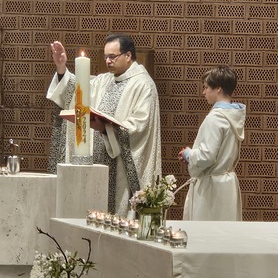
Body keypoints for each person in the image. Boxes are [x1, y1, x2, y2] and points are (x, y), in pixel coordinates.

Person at [46, 34, 162, 218]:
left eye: (112, 57)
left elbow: (141, 125)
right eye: (105, 56)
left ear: (128, 56)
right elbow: (79, 88)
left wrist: (107, 129)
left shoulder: (143, 85)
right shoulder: (105, 80)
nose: (107, 61)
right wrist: (61, 68)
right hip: (98, 165)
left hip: (121, 172)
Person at [178, 65, 246, 221]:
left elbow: (207, 156)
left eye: (206, 87)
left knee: (206, 235)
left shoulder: (215, 118)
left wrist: (189, 154)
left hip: (212, 188)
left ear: (218, 89)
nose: (203, 92)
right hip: (227, 184)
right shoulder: (233, 115)